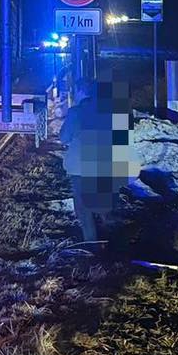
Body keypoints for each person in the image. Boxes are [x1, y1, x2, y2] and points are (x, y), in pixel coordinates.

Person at [59, 76, 138, 244]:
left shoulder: (76, 112)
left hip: (80, 168)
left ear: (81, 92)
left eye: (75, 91)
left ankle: (91, 243)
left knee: (83, 208)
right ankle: (111, 229)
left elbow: (64, 137)